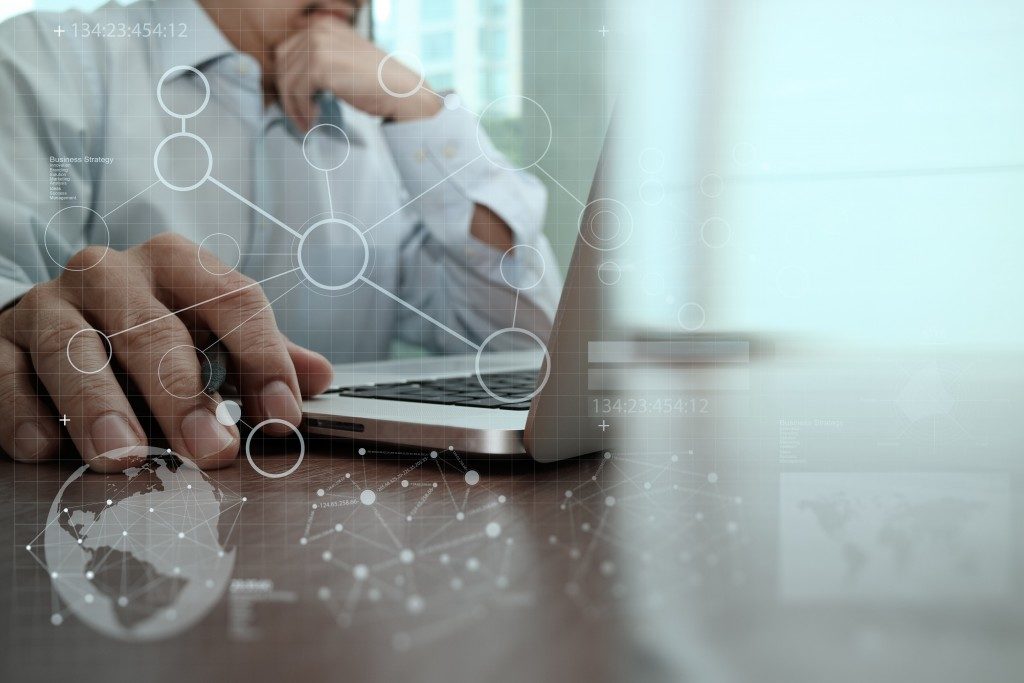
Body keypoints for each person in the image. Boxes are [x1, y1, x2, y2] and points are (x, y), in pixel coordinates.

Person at [0, 0, 560, 471]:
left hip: (342, 515)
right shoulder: (47, 61)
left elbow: (530, 350)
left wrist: (423, 112)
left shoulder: (389, 131)